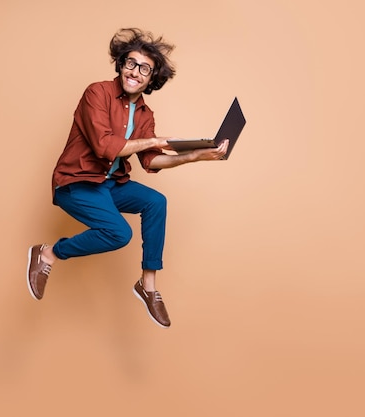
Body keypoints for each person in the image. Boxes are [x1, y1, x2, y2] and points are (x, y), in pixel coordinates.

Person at [27, 28, 228, 328]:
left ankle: (147, 286)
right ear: (121, 65)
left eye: (144, 69)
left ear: (151, 79)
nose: (135, 72)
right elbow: (105, 146)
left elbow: (150, 161)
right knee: (119, 233)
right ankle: (48, 253)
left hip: (109, 185)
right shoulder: (97, 93)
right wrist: (153, 141)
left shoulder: (145, 114)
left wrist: (195, 155)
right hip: (76, 181)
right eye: (131, 63)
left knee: (155, 202)